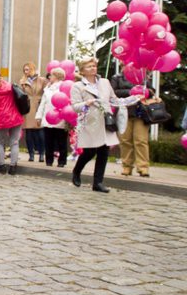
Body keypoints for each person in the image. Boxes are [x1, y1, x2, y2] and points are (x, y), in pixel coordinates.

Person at [70, 57, 139, 193]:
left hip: (106, 121)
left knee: (104, 152)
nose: (93, 68)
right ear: (83, 70)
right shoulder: (78, 86)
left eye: (94, 66)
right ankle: (77, 171)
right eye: (89, 66)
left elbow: (114, 100)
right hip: (90, 122)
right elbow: (75, 107)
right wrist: (86, 103)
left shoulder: (105, 82)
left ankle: (98, 182)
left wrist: (133, 99)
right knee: (89, 152)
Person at [110, 66, 150, 177]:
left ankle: (143, 167)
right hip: (123, 112)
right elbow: (113, 92)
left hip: (140, 113)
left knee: (141, 140)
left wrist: (145, 91)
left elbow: (151, 91)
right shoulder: (117, 77)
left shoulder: (143, 76)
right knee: (125, 140)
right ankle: (126, 166)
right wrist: (132, 92)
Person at [0, 71, 24, 175]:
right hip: (15, 117)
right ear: (1, 77)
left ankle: (1, 166)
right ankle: (13, 167)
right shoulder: (11, 86)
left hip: (1, 120)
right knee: (14, 142)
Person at [36, 67, 69, 167]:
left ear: (57, 76)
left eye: (51, 75)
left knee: (61, 141)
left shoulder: (64, 88)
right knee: (48, 140)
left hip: (60, 119)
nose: (49, 77)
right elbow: (43, 103)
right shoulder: (47, 89)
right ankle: (49, 160)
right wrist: (39, 116)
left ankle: (62, 161)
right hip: (48, 118)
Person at [20, 62, 47, 162]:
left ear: (33, 69)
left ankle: (41, 153)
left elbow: (46, 92)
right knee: (29, 132)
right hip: (27, 108)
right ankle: (31, 154)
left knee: (40, 131)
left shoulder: (42, 80)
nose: (26, 72)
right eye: (25, 70)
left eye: (28, 69)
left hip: (38, 106)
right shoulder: (23, 81)